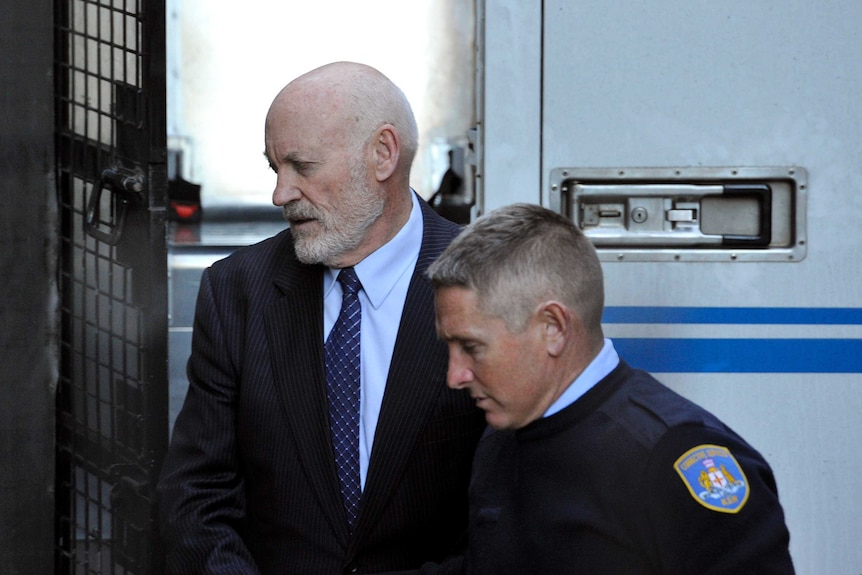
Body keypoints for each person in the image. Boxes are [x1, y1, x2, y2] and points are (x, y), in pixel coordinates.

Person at [157, 62, 485, 574]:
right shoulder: (238, 289)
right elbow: (197, 495)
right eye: (275, 169)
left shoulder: (487, 280)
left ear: (382, 154)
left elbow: (517, 504)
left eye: (301, 166)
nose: (280, 194)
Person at [426, 203, 795, 574]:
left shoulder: (671, 457)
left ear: (552, 327)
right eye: (450, 349)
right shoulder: (503, 437)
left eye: (471, 348)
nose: (455, 376)